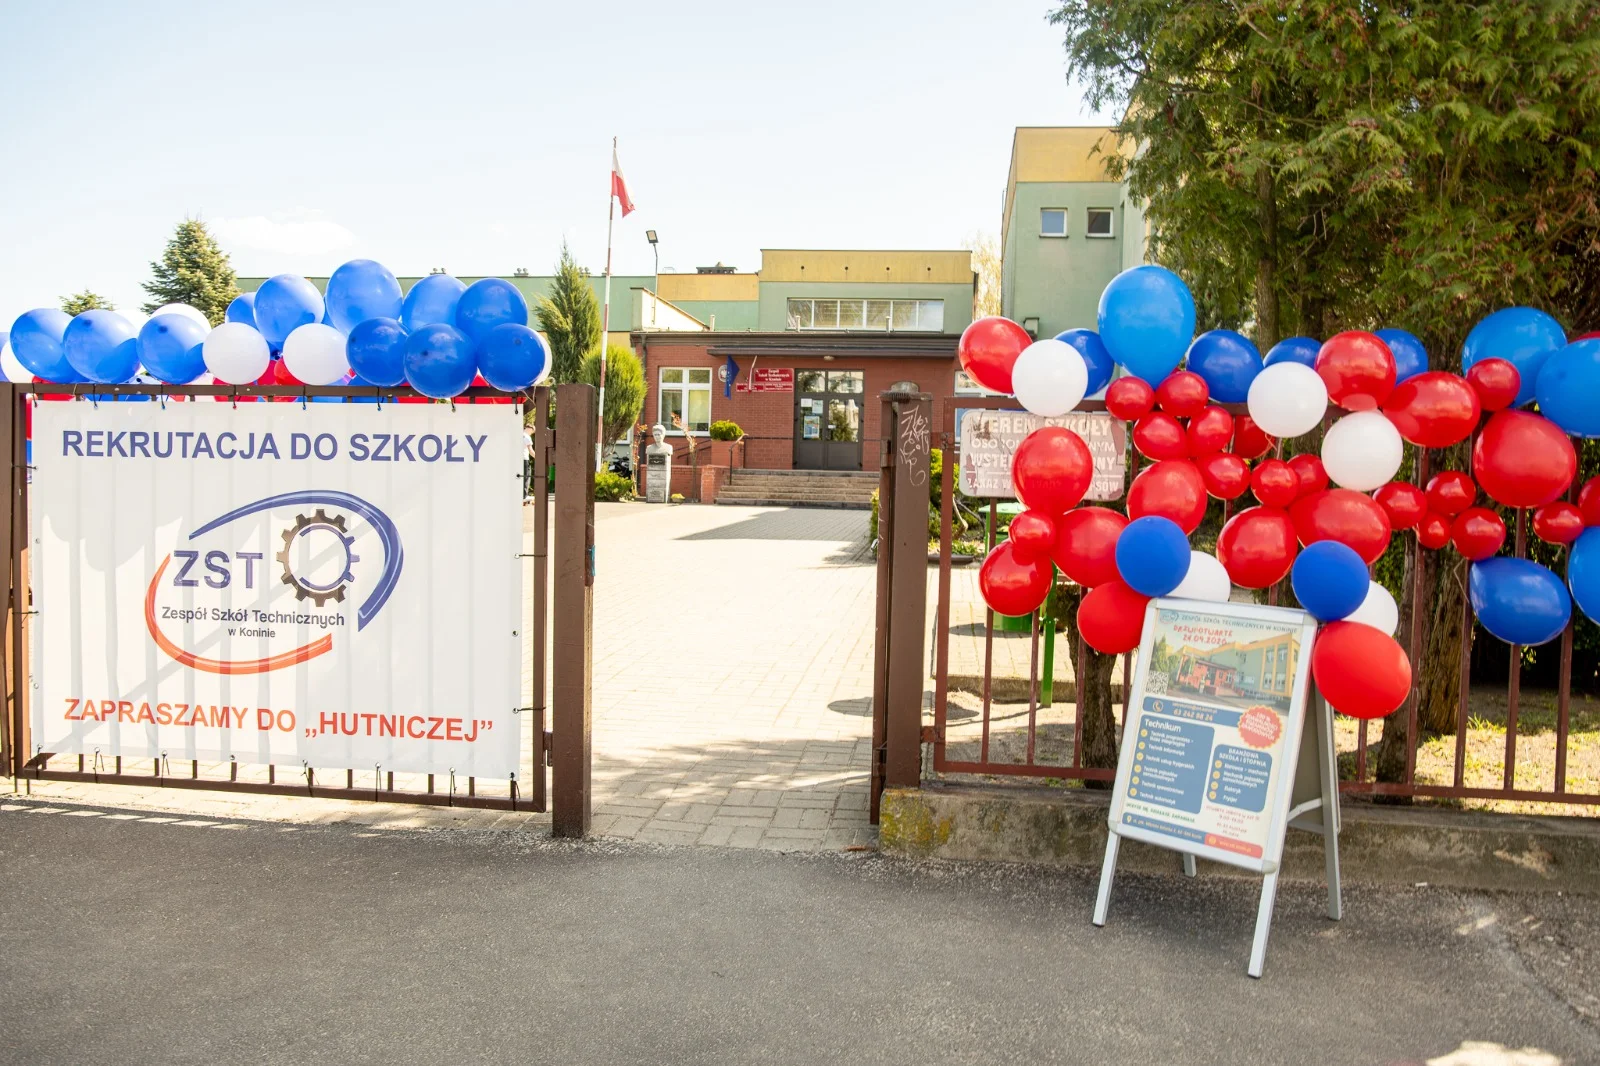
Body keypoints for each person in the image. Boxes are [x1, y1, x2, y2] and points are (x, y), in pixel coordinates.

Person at [523, 425, 536, 502]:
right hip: (524, 459)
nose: (532, 433)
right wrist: (539, 458)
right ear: (531, 429)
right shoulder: (527, 437)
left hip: (516, 460)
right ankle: (524, 496)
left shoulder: (518, 434)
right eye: (533, 432)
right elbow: (531, 450)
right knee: (526, 476)